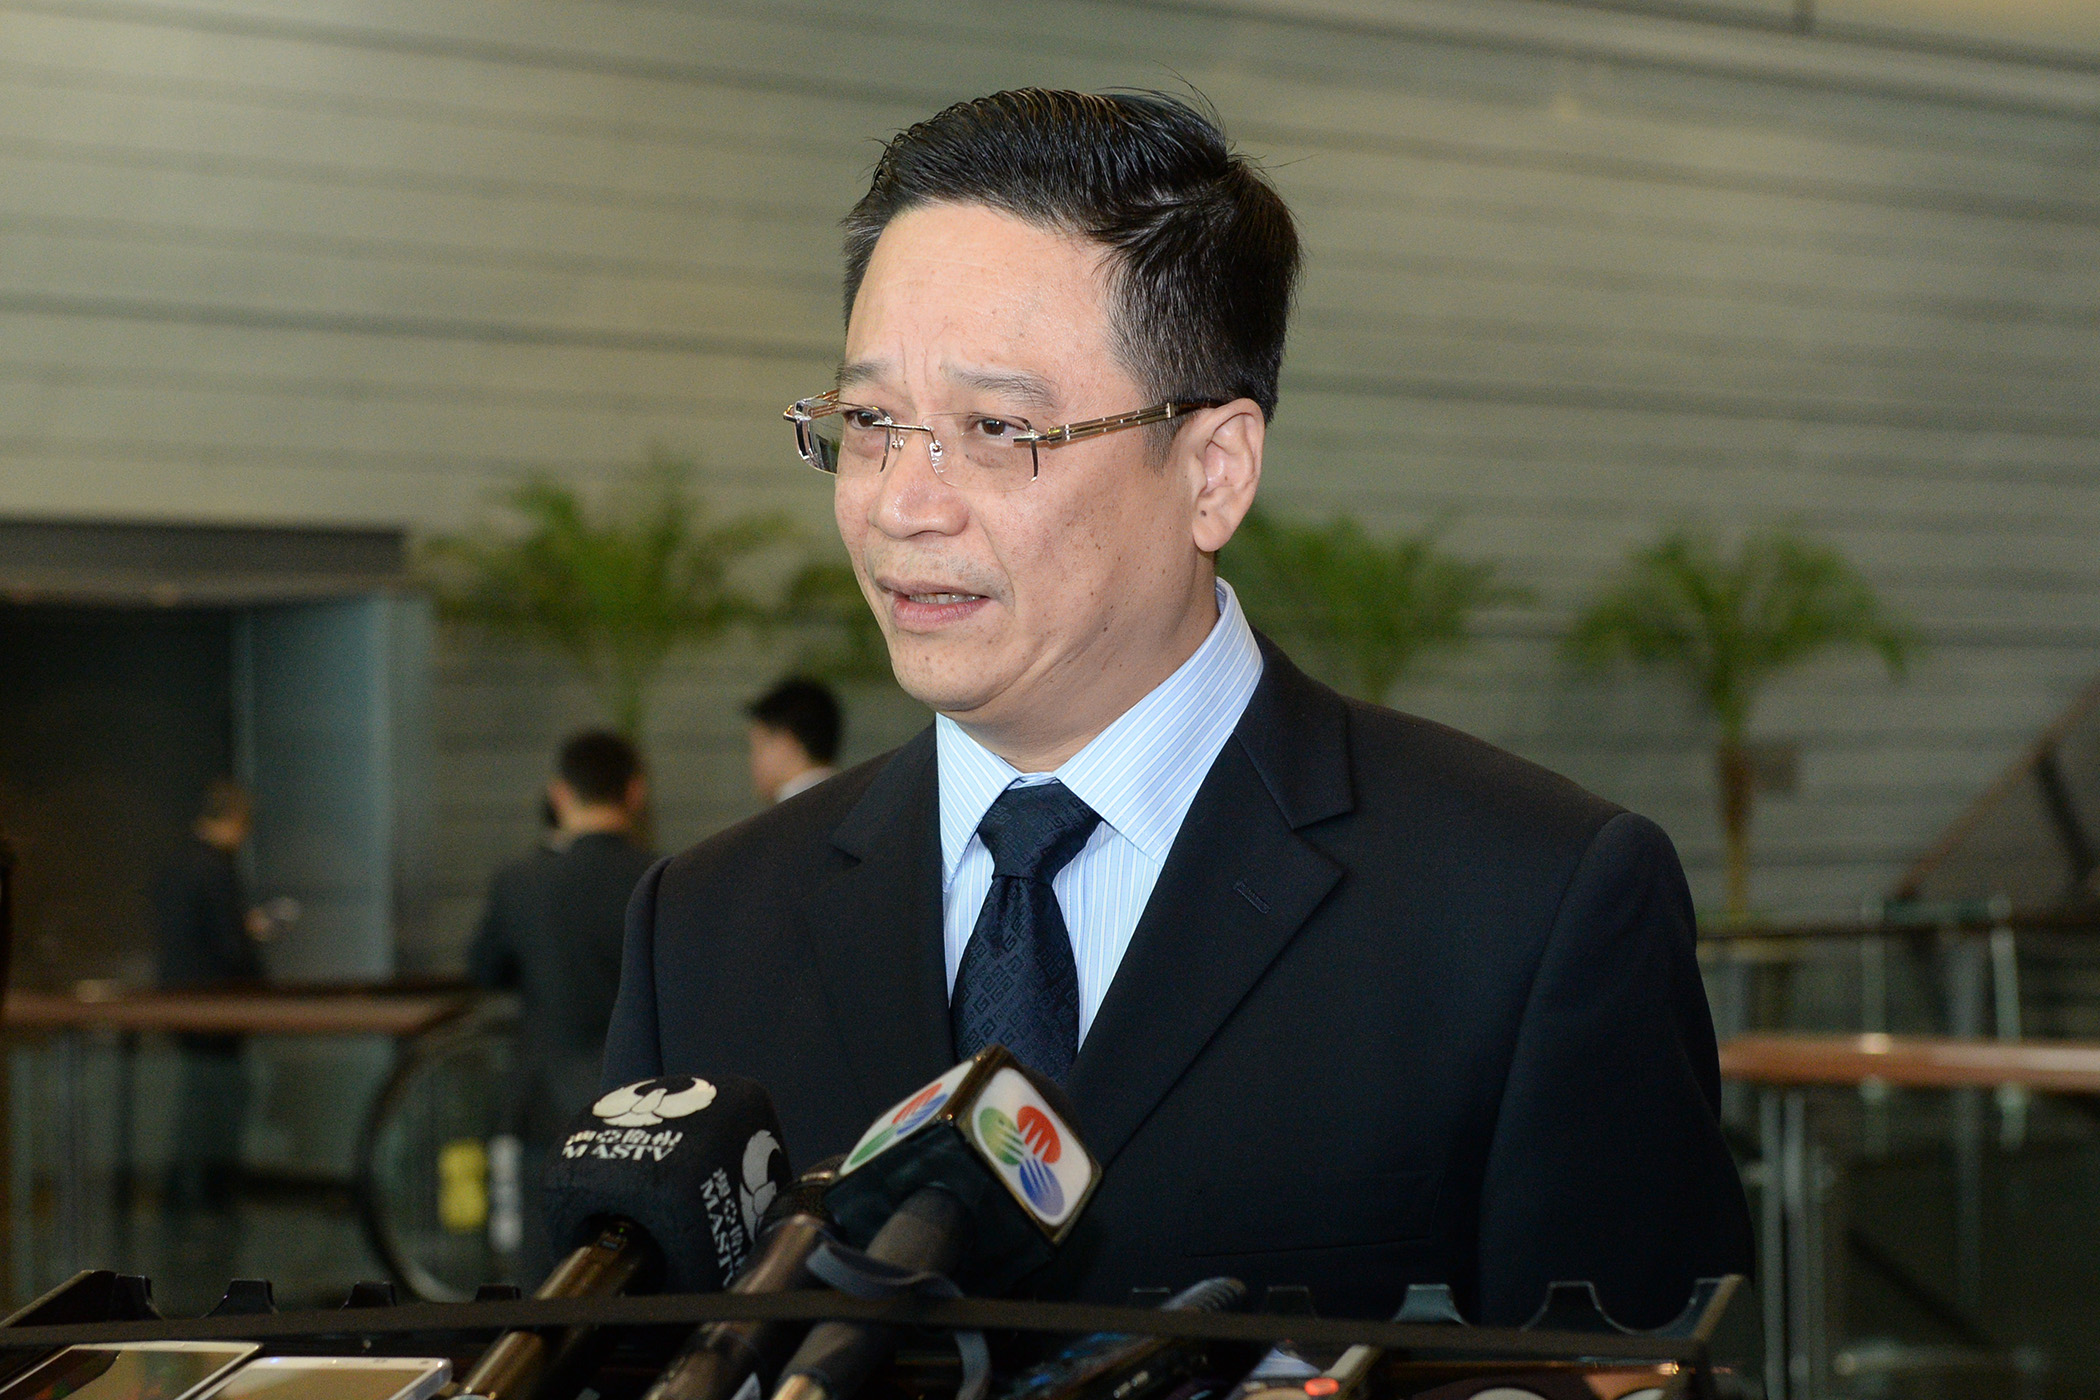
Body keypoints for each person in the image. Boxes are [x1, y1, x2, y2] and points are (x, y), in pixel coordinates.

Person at [603, 90, 1753, 1324]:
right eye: (874, 422)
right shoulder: (703, 930)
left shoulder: (1527, 909)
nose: (901, 504)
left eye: (997, 428)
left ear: (1214, 471)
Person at [471, 730, 656, 1276]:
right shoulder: (664, 877)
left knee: (542, 1270)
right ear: (635, 791)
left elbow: (484, 970)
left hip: (543, 1107)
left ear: (559, 793)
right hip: (645, 1113)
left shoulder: (521, 882)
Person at [153, 778, 268, 1211]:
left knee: (193, 1102)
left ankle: (180, 1193)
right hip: (218, 1005)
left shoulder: (174, 865)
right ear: (234, 820)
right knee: (219, 1104)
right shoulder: (217, 870)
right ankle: (212, 1196)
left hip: (179, 1002)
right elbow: (230, 946)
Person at [746, 678, 843, 804]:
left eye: (759, 748)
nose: (753, 761)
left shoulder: (791, 812)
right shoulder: (858, 800)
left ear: (787, 744)